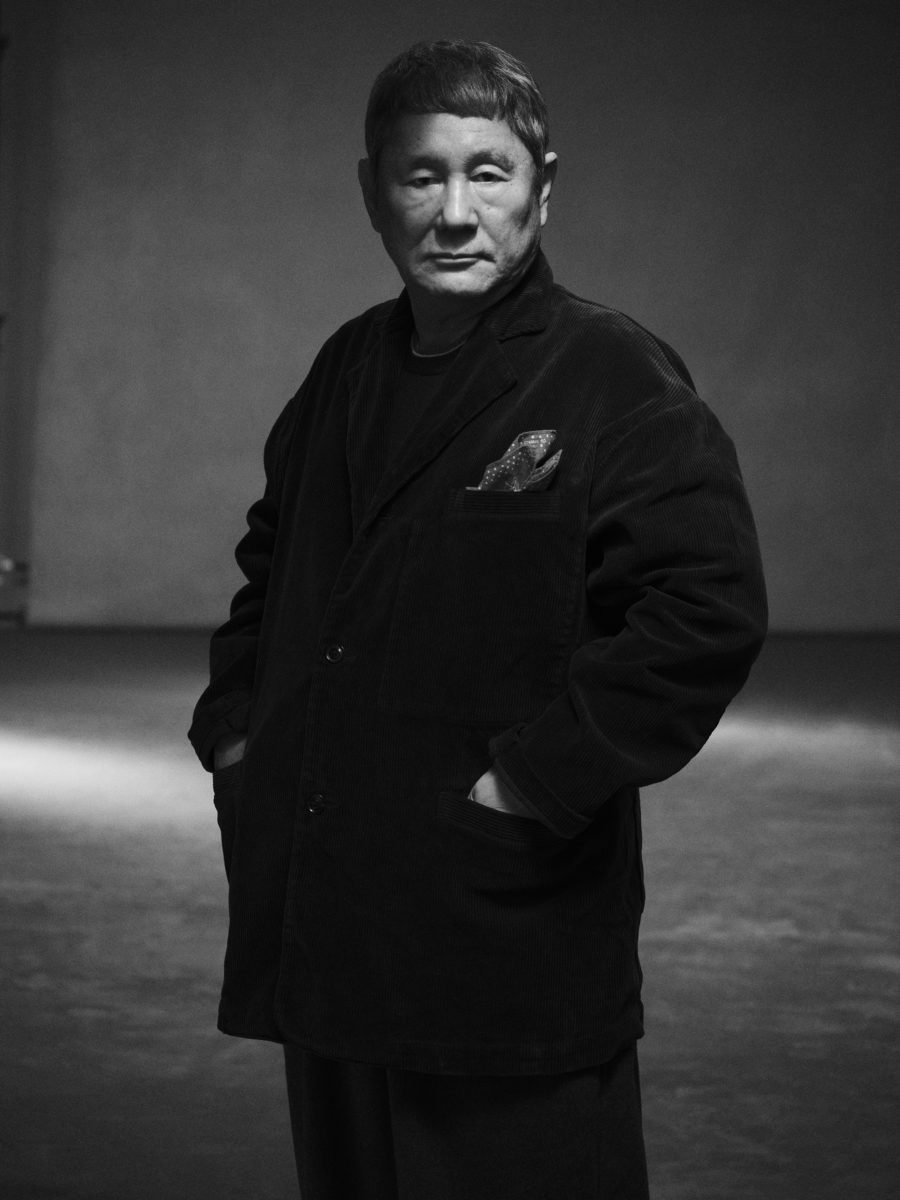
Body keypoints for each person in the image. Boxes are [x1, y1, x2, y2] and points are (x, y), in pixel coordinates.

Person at [189, 39, 767, 1200]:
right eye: (422, 175)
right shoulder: (347, 367)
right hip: (331, 909)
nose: (455, 212)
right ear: (373, 192)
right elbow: (274, 562)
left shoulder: (609, 374)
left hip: (502, 917)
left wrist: (536, 784)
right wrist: (239, 735)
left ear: (543, 187)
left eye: (487, 173)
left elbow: (704, 609)